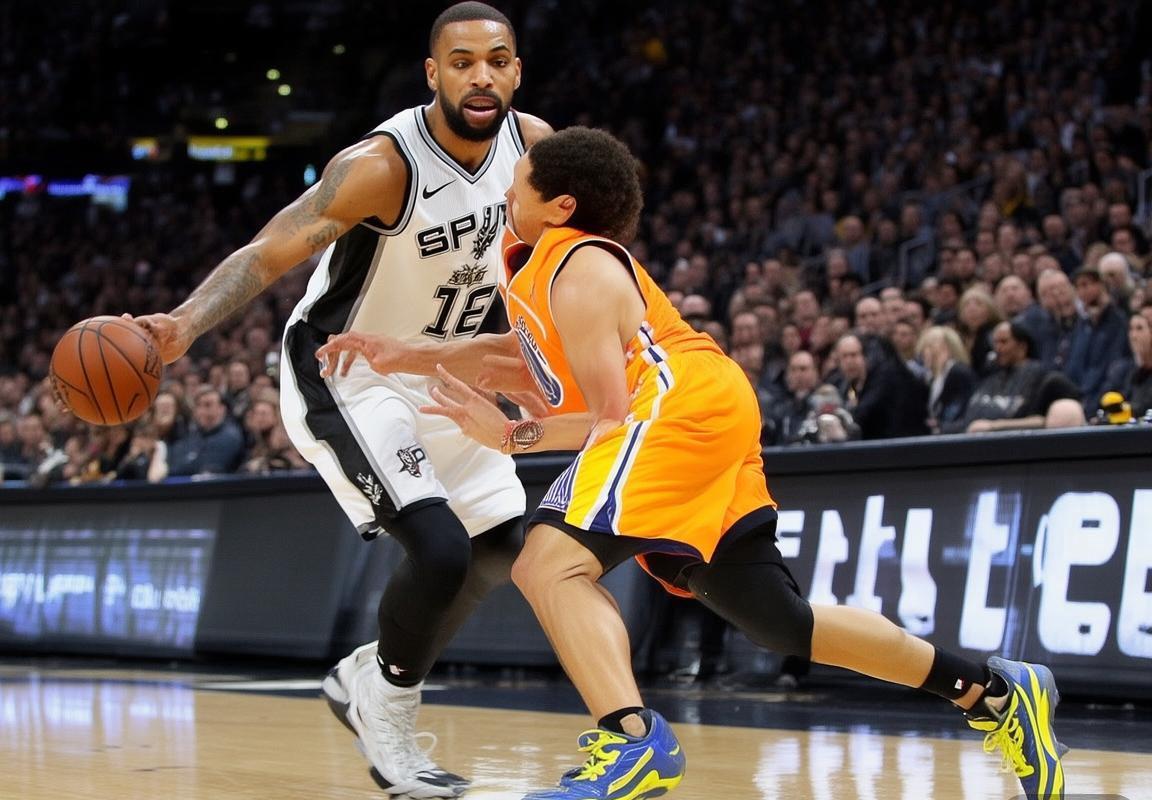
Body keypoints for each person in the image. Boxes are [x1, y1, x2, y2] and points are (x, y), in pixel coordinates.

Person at [319, 127, 1068, 800]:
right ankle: (995, 693)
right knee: (781, 623)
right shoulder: (544, 273)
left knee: (547, 565)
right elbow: (519, 357)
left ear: (561, 205)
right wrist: (405, 354)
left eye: (518, 183)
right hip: (708, 409)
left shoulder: (579, 267)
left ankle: (632, 742)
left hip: (678, 403)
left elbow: (611, 418)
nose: (506, 192)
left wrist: (513, 437)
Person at [128, 4, 552, 796]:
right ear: (433, 73)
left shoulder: (534, 149)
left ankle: (369, 672)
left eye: (497, 60)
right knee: (440, 550)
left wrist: (538, 361)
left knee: (499, 546)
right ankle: (391, 725)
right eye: (462, 62)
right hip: (349, 369)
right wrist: (184, 324)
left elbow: (557, 260)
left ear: (517, 71)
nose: (481, 76)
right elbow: (271, 249)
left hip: (446, 369)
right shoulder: (384, 165)